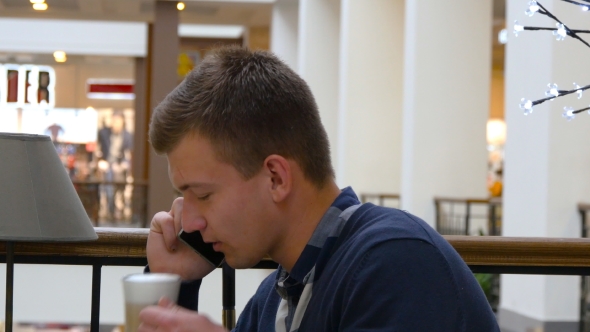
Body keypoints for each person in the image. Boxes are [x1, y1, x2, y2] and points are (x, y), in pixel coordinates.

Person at [139, 46, 500, 331]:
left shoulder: (396, 261)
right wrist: (176, 285)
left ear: (276, 178)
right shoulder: (277, 296)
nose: (189, 221)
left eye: (202, 195)